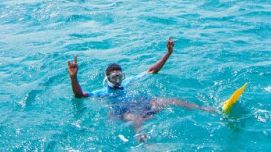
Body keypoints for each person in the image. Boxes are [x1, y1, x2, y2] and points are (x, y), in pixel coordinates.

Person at [67, 37, 215, 139]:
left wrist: (168, 53)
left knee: (172, 100)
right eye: (114, 78)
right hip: (124, 110)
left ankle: (206, 110)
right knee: (134, 121)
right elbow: (80, 95)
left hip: (142, 102)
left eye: (120, 76)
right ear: (107, 79)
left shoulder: (128, 82)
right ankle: (148, 147)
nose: (118, 81)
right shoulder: (103, 93)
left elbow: (152, 71)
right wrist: (74, 77)